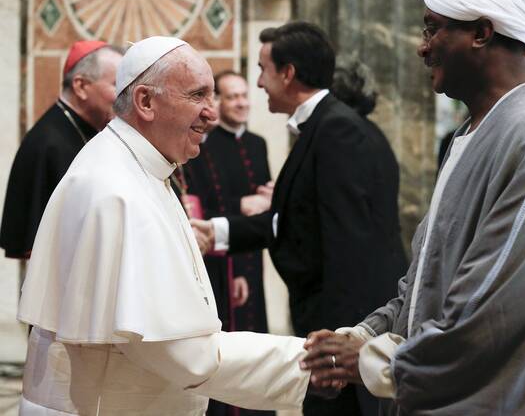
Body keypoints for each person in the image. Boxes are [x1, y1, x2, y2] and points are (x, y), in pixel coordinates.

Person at [301, 0, 525, 415]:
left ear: (482, 32)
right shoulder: (476, 131)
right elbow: (427, 279)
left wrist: (373, 360)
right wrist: (363, 336)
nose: (423, 47)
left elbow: (493, 313)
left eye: (432, 28)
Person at [16, 36, 331, 415]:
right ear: (145, 101)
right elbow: (184, 354)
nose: (211, 114)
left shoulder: (136, 166)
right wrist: (315, 362)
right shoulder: (115, 189)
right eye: (197, 96)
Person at [192, 22, 408, 416]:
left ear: (288, 73)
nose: (259, 83)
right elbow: (292, 221)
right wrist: (217, 231)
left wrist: (340, 349)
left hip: (342, 331)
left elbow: (349, 248)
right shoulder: (325, 126)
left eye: (263, 69)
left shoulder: (337, 131)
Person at [185, 70, 274, 416]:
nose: (241, 102)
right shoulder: (208, 147)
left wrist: (268, 198)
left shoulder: (258, 143)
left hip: (253, 253)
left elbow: (265, 198)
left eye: (243, 94)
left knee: (258, 340)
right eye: (232, 96)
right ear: (219, 103)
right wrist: (244, 205)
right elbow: (205, 204)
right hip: (223, 259)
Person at [0, 41, 122, 259]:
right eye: (116, 85)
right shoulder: (48, 143)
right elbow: (35, 245)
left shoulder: (90, 131)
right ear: (81, 86)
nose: (123, 97)